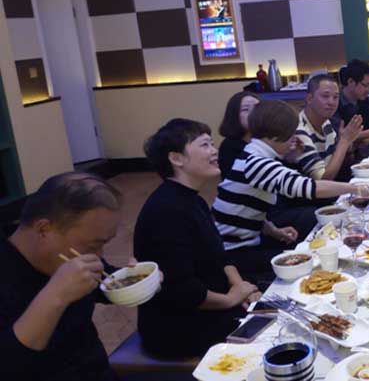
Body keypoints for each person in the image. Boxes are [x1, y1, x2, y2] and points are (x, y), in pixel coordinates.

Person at [135, 118, 260, 358]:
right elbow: (182, 290)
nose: (214, 151)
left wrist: (240, 287)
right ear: (176, 158)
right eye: (205, 145)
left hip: (209, 300)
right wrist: (231, 299)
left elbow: (220, 255)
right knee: (274, 327)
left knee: (271, 300)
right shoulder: (165, 211)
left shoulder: (193, 199)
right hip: (178, 327)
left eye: (212, 144)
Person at [212, 100, 369, 281]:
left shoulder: (252, 154)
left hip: (249, 241)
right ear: (275, 136)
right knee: (310, 264)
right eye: (291, 135)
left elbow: (244, 207)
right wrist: (355, 188)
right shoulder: (257, 163)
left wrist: (273, 230)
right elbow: (312, 187)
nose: (294, 140)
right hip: (234, 254)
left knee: (312, 250)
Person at [1, 172, 125, 381]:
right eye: (93, 245)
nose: (98, 255)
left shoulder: (78, 255)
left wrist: (136, 279)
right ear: (43, 229)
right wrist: (55, 295)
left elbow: (105, 282)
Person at [295, 73, 363, 180]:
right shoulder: (300, 130)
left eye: (335, 97)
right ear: (309, 98)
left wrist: (349, 147)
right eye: (325, 96)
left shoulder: (326, 123)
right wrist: (344, 142)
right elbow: (323, 180)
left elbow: (337, 164)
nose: (331, 102)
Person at [335, 59, 369, 142]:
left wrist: (367, 137)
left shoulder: (366, 101)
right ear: (351, 82)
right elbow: (339, 136)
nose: (368, 90)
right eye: (365, 85)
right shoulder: (335, 104)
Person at [217, 91, 261, 178]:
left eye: (257, 109)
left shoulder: (266, 140)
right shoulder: (229, 146)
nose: (253, 113)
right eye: (246, 109)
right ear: (234, 115)